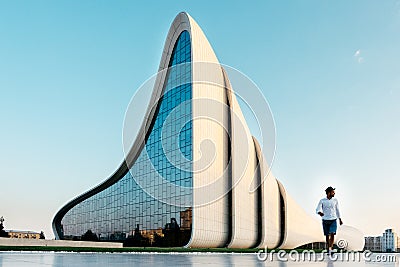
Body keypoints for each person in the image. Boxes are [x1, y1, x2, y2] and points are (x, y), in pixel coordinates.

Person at [316, 186, 343, 254]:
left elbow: (337, 210)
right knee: (327, 235)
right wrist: (319, 212)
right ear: (329, 192)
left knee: (332, 233)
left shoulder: (335, 200)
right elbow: (318, 208)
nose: (334, 193)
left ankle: (331, 248)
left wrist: (340, 219)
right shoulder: (322, 200)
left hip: (333, 219)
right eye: (333, 192)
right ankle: (328, 248)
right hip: (325, 219)